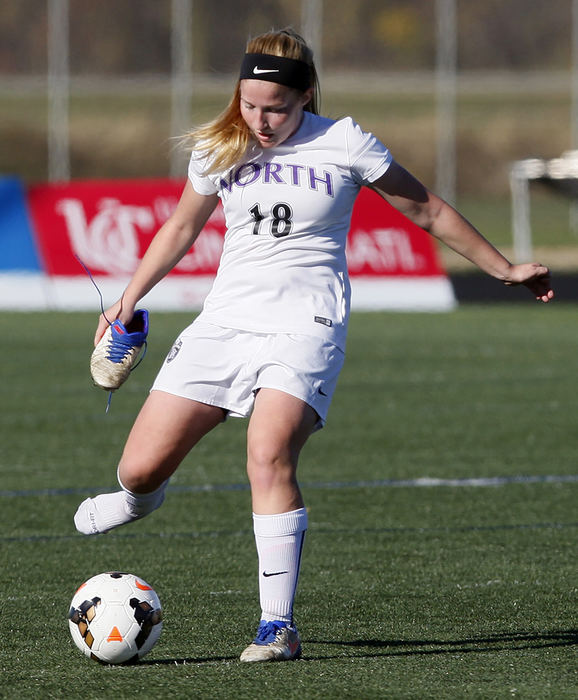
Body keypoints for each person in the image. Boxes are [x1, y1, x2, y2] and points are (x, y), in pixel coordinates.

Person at [74, 28, 554, 663]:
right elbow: (183, 225)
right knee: (138, 469)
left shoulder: (344, 141)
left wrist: (504, 268)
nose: (259, 119)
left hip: (308, 326)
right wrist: (128, 298)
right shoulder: (223, 146)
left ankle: (278, 626)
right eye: (248, 104)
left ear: (305, 95)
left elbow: (428, 210)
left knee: (269, 453)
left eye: (274, 106)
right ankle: (141, 498)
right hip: (224, 323)